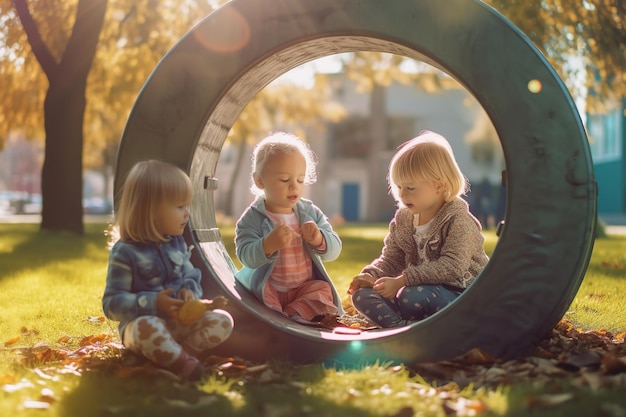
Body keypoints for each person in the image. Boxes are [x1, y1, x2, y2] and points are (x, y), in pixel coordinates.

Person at [102, 160, 234, 381]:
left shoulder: (177, 243)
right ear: (151, 210)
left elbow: (191, 275)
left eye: (187, 206)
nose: (187, 214)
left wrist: (189, 292)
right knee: (147, 328)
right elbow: (112, 304)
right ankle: (181, 363)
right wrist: (153, 303)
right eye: (180, 207)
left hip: (178, 325)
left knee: (223, 320)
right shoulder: (125, 252)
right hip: (143, 326)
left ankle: (181, 355)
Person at [348, 131, 489, 328]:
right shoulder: (404, 219)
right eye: (399, 187)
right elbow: (391, 259)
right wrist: (372, 276)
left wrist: (403, 280)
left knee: (411, 294)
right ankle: (401, 327)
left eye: (411, 188)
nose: (403, 195)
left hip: (461, 295)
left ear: (439, 186)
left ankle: (410, 326)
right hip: (415, 291)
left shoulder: (458, 219)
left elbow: (452, 266)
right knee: (362, 296)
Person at [234, 132, 343, 328]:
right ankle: (276, 318)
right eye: (285, 180)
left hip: (303, 287)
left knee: (321, 289)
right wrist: (267, 245)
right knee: (257, 297)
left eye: (300, 180)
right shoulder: (252, 218)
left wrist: (319, 239)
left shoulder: (309, 212)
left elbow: (334, 250)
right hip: (270, 288)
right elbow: (245, 255)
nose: (294, 186)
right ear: (260, 181)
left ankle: (294, 313)